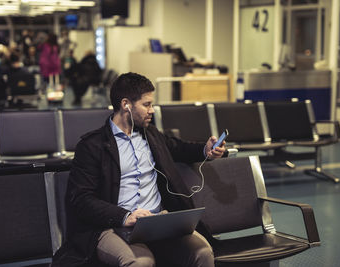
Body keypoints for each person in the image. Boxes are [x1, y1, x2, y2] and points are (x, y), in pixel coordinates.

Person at [52, 72, 226, 267]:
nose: (152, 110)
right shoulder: (93, 146)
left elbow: (179, 148)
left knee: (202, 252)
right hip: (115, 224)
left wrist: (206, 149)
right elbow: (81, 198)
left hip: (158, 221)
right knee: (139, 262)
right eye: (147, 104)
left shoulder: (150, 134)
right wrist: (124, 216)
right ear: (126, 104)